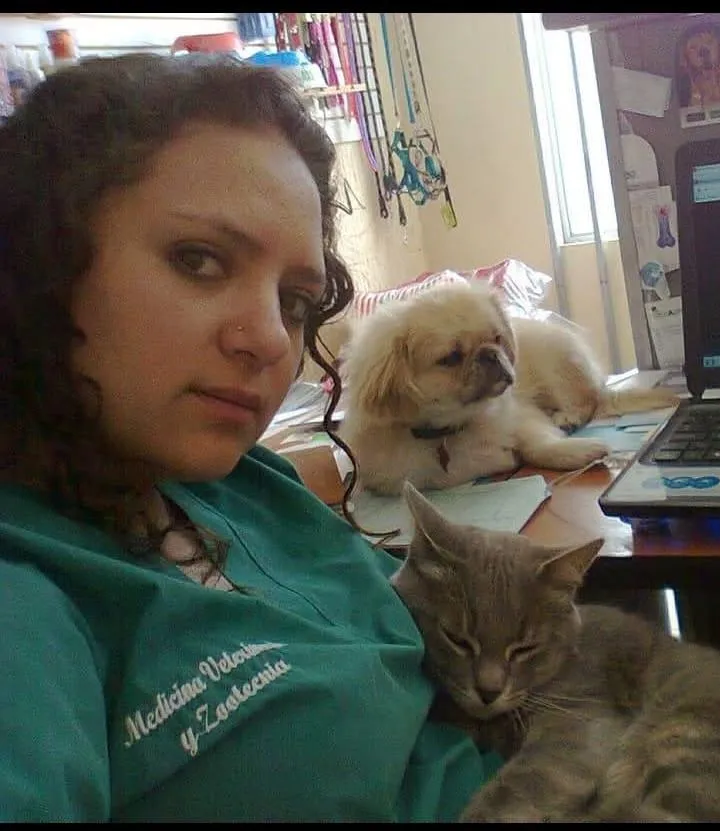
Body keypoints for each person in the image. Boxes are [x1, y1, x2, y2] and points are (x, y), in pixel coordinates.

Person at [0, 52, 501, 821]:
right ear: (40, 260)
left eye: (296, 300)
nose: (270, 339)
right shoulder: (27, 597)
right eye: (198, 260)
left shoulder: (239, 482)